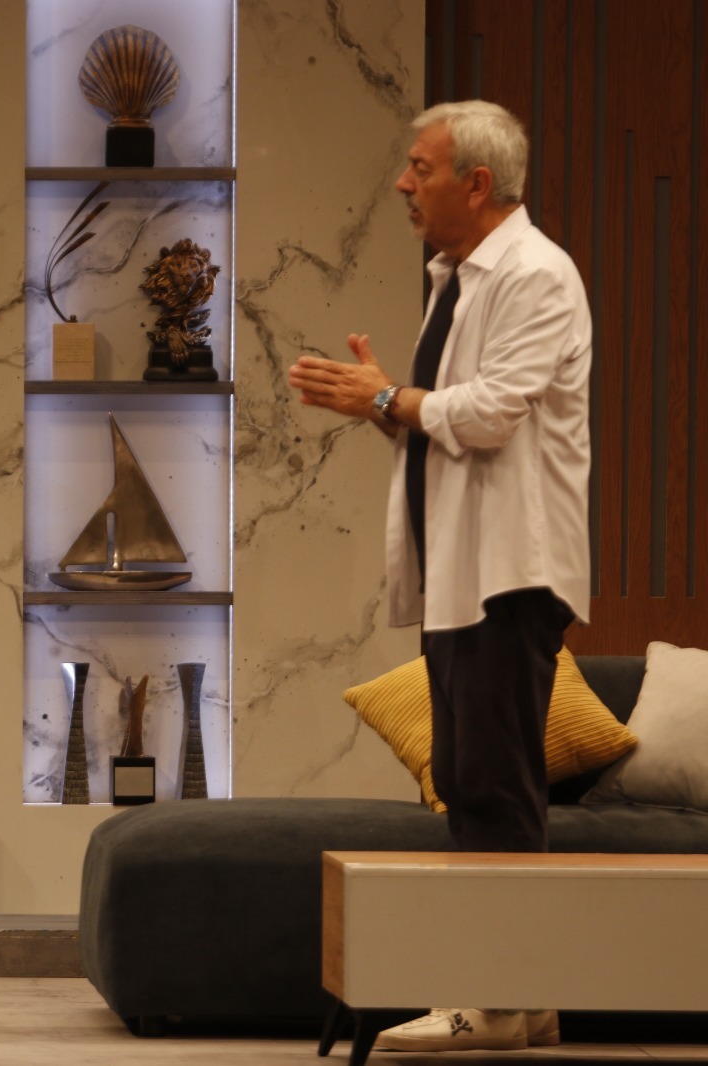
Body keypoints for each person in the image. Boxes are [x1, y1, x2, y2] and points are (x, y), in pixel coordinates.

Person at [289, 101, 591, 1053]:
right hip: (463, 571)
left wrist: (389, 395)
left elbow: (492, 413)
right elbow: (445, 420)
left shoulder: (536, 274)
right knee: (467, 778)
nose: (401, 185)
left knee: (495, 785)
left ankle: (496, 1001)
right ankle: (522, 997)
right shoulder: (457, 279)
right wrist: (384, 406)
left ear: (477, 182)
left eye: (420, 168)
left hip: (510, 573)